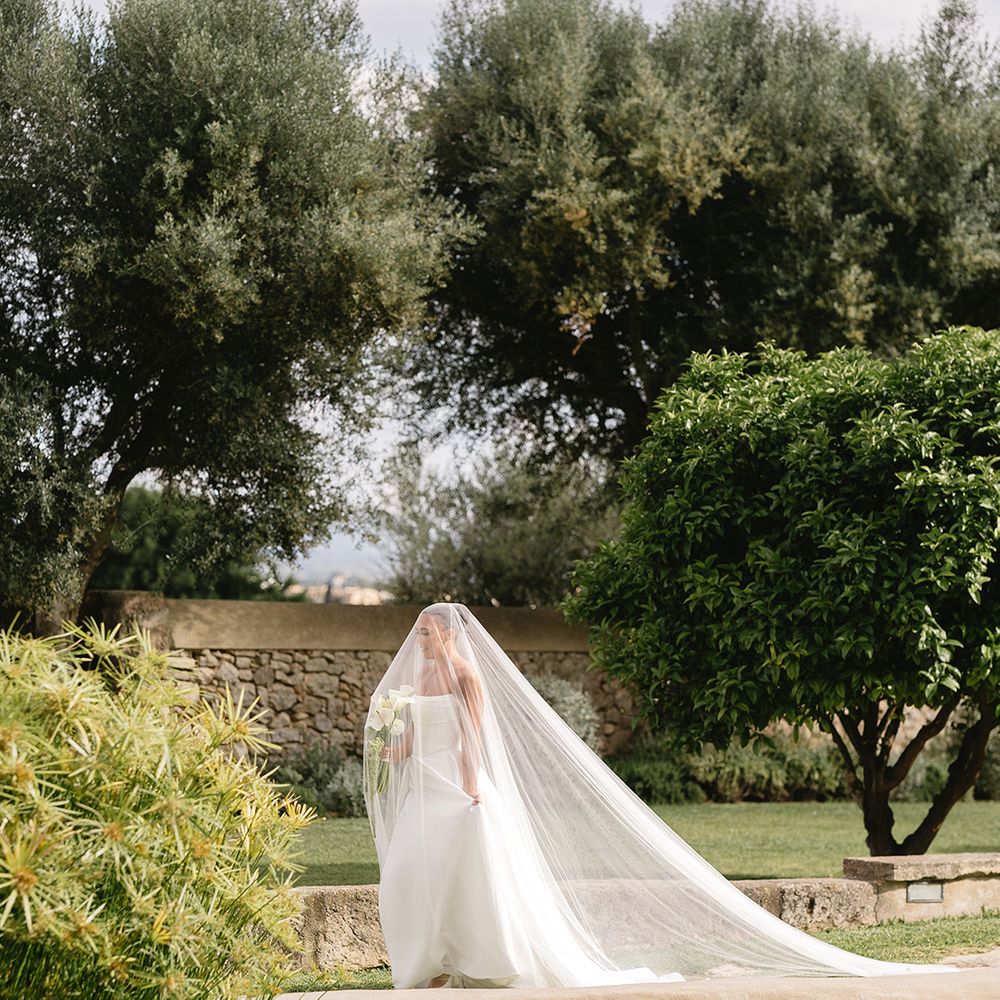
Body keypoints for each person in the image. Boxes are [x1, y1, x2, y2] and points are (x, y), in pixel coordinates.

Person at [363, 603, 957, 989]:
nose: (420, 641)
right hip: (427, 791)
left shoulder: (467, 676)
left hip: (463, 790)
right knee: (415, 872)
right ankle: (430, 961)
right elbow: (413, 742)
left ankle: (479, 960)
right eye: (418, 633)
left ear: (447, 634)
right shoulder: (419, 681)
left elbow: (474, 738)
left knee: (469, 875)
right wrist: (387, 745)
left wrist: (471, 788)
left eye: (427, 632)